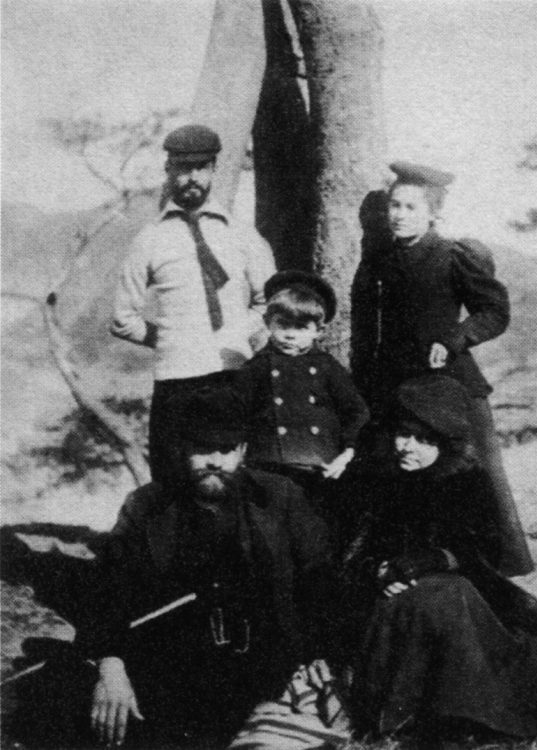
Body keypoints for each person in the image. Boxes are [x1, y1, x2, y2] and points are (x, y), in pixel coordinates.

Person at [341, 376, 537, 747]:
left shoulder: (465, 482)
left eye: (423, 439)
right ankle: (416, 713)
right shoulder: (376, 481)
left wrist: (431, 559)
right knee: (429, 601)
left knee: (449, 598)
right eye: (403, 434)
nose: (407, 447)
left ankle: (466, 712)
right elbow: (352, 552)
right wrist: (379, 570)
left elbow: (480, 551)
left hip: (462, 594)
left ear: (444, 442)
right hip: (388, 602)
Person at [71, 386, 338, 747]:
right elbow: (106, 588)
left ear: (242, 451)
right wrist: (111, 665)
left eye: (226, 450)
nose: (215, 461)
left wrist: (320, 653)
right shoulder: (147, 506)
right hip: (175, 673)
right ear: (183, 449)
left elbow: (320, 579)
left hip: (268, 669)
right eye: (202, 449)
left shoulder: (279, 497)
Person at [350, 161, 533, 576]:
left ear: (434, 213)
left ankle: (490, 575)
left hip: (452, 388)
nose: (399, 215)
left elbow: (494, 311)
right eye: (394, 205)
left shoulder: (452, 257)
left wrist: (455, 338)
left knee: (473, 485)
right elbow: (367, 333)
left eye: (411, 207)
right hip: (399, 391)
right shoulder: (378, 262)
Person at [110, 123, 276, 484]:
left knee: (232, 480)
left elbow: (270, 304)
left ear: (213, 170)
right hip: (176, 380)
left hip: (232, 375)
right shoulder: (149, 239)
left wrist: (237, 332)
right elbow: (122, 318)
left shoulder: (242, 235)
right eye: (183, 168)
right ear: (168, 170)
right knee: (173, 480)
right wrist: (172, 337)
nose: (192, 178)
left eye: (201, 167)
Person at [237, 270, 369, 496]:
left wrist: (347, 453)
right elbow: (238, 414)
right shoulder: (257, 367)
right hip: (268, 465)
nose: (290, 335)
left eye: (301, 327)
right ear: (267, 322)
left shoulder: (327, 366)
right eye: (283, 324)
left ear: (319, 331)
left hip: (320, 465)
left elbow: (356, 412)